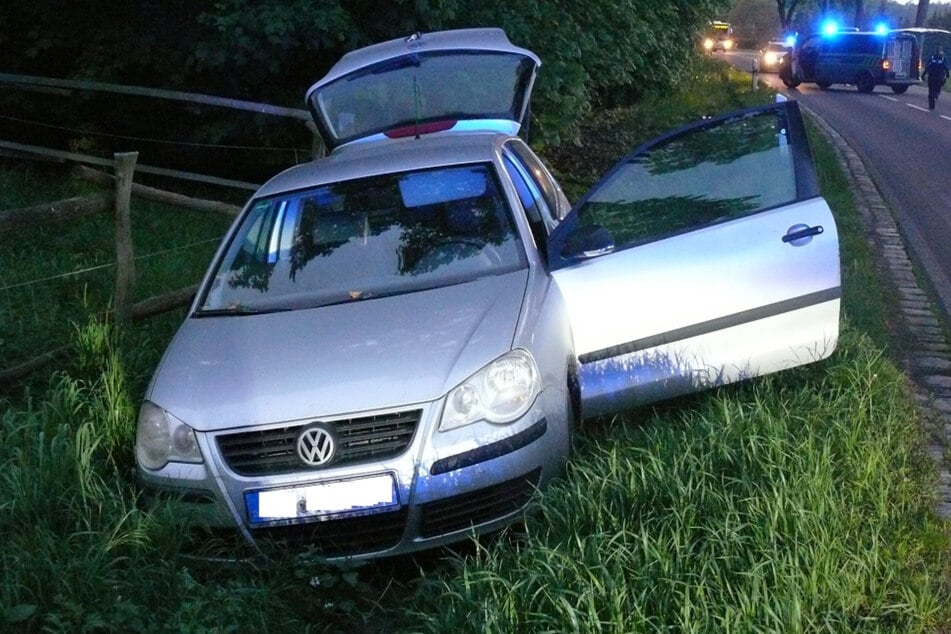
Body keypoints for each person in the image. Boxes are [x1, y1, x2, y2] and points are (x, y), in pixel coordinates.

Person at [921, 45, 951, 110]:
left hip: (932, 77)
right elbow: (946, 68)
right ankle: (936, 95)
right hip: (939, 77)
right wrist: (948, 75)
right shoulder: (943, 58)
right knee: (937, 88)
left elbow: (927, 67)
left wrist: (923, 75)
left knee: (931, 90)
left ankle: (932, 102)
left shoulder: (932, 58)